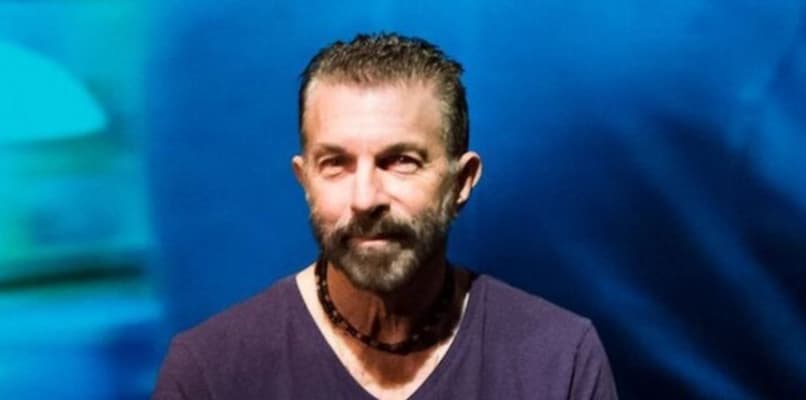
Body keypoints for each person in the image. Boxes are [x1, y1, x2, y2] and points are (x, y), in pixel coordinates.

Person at [152, 32, 618, 400]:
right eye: (335, 163)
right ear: (305, 180)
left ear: (462, 181)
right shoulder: (210, 374)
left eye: (400, 161)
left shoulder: (560, 361)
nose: (365, 198)